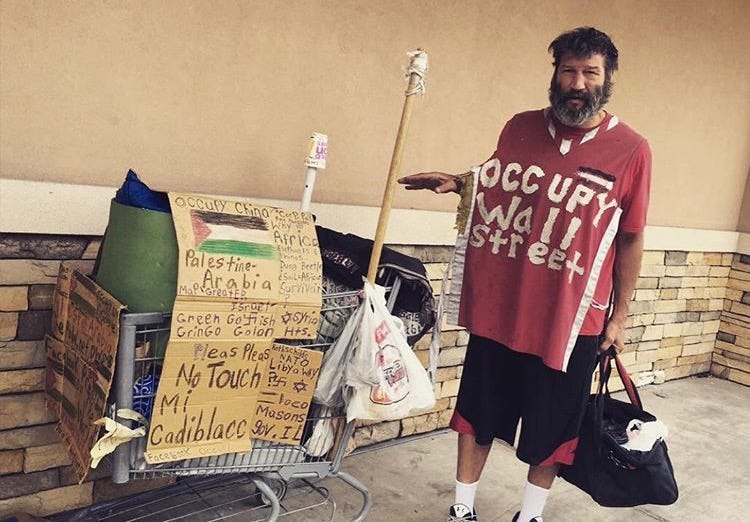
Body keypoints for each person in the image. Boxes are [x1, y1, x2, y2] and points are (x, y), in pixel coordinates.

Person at [398, 27, 651, 522]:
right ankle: (462, 508)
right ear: (555, 74)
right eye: (568, 71)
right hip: (506, 306)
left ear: (608, 78)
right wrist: (459, 183)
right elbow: (500, 182)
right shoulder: (519, 127)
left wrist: (619, 317)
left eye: (590, 72)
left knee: (554, 425)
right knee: (479, 411)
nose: (577, 83)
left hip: (573, 319)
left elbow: (631, 237)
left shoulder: (632, 149)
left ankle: (530, 516)